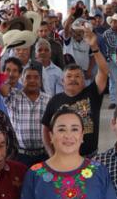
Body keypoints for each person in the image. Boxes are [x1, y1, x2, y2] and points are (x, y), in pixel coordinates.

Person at [40, 27, 109, 156]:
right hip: (63, 157)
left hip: (90, 157)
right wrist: (51, 153)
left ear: (83, 80)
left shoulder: (92, 93)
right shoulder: (55, 100)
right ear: (62, 81)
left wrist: (94, 47)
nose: (73, 79)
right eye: (69, 76)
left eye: (77, 76)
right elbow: (45, 127)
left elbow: (104, 71)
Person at [4, 61, 49, 166]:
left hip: (44, 155)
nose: (32, 80)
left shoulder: (49, 100)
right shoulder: (12, 96)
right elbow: (1, 84)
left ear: (41, 81)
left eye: (36, 77)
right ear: (22, 80)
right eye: (28, 77)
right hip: (20, 156)